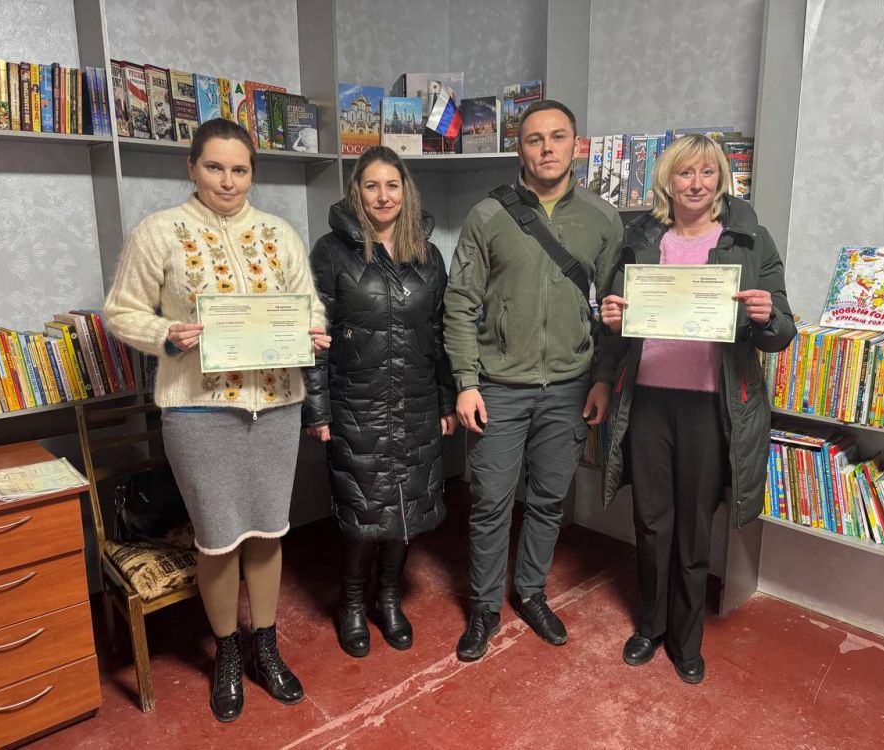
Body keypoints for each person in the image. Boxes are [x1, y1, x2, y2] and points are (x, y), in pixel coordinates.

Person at [103, 117, 329, 722]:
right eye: (215, 167)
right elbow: (120, 312)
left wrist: (312, 330)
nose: (228, 181)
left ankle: (266, 648)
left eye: (239, 169)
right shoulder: (159, 232)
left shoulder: (279, 234)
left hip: (276, 407)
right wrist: (166, 333)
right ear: (192, 167)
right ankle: (227, 651)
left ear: (252, 173)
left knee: (268, 532)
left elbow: (308, 304)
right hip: (199, 411)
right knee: (219, 538)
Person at [598, 133, 796, 684]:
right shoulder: (640, 237)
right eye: (685, 173)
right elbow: (615, 320)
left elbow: (783, 331)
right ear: (667, 179)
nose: (697, 183)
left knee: (693, 528)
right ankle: (650, 626)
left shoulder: (750, 239)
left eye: (708, 172)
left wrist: (766, 316)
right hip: (648, 401)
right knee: (651, 522)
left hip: (712, 406)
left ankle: (687, 639)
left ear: (721, 179)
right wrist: (609, 317)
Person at [443, 100, 623, 661]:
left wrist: (603, 379)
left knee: (548, 501)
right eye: (534, 139)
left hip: (570, 386)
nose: (547, 148)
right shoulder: (487, 216)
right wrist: (466, 381)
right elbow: (459, 303)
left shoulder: (602, 219)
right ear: (519, 149)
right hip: (498, 386)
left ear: (577, 146)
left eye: (558, 137)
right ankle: (483, 608)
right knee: (490, 502)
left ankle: (530, 592)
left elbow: (616, 310)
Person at [302, 145, 457, 658]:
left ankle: (388, 597)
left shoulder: (427, 254)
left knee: (406, 506)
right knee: (362, 509)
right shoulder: (330, 252)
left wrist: (446, 399)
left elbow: (439, 334)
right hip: (357, 404)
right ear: (357, 192)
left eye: (392, 185)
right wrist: (318, 409)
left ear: (405, 191)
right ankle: (351, 603)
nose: (383, 195)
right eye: (372, 185)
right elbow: (314, 336)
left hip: (416, 401)